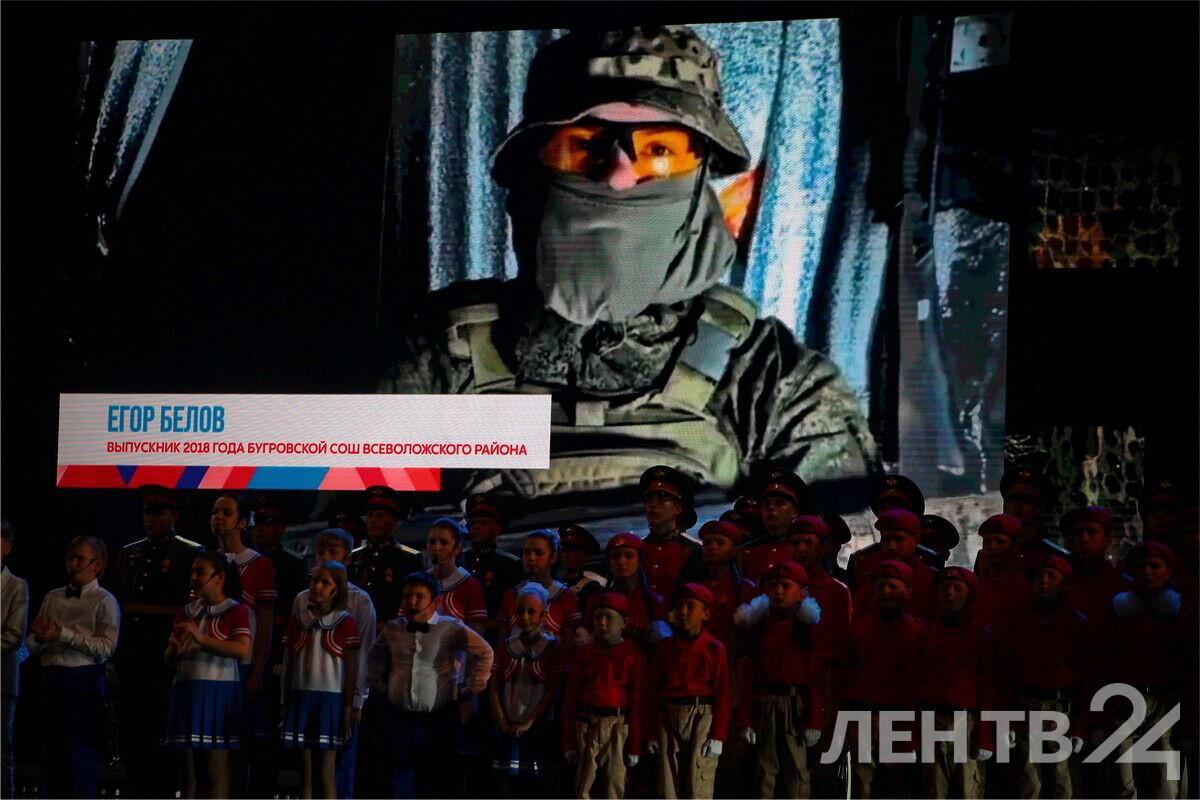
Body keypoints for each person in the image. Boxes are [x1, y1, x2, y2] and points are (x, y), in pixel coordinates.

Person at [378, 25, 876, 507]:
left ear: (701, 180)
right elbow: (346, 538)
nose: (619, 176)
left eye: (658, 150)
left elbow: (849, 555)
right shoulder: (436, 356)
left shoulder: (776, 386)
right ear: (531, 171)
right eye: (584, 145)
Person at [367, 571, 494, 798]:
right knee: (398, 778)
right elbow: (374, 657)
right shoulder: (394, 629)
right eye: (408, 596)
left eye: (419, 596)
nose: (412, 602)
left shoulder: (449, 627)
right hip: (400, 716)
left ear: (434, 602)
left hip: (438, 718)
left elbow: (485, 652)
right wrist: (380, 687)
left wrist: (471, 688)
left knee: (435, 779)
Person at [115, 484, 202, 798]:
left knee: (163, 726)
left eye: (158, 512)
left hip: (166, 650)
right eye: (146, 512)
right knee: (132, 726)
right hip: (132, 651)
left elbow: (192, 606)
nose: (150, 518)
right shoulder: (130, 552)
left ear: (174, 514)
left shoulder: (190, 552)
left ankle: (164, 790)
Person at [27, 536, 120, 799]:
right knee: (50, 751)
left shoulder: (105, 600)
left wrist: (64, 635)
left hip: (82, 680)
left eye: (80, 558)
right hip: (51, 678)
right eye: (70, 559)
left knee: (79, 752)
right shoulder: (53, 596)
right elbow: (32, 642)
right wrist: (33, 644)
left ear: (97, 565)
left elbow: (107, 648)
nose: (73, 564)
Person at [998, 555, 1091, 799]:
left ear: (1065, 584)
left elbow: (1086, 678)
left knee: (1063, 781)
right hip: (1026, 706)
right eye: (1039, 577)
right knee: (1028, 782)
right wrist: (1007, 720)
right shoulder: (1018, 623)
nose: (1044, 582)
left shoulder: (1076, 624)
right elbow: (1007, 674)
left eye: (1051, 576)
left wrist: (1080, 726)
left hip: (1062, 708)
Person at [294, 529, 377, 800]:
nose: (325, 557)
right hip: (307, 691)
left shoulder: (360, 601)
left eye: (333, 552)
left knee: (337, 769)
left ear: (347, 558)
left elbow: (363, 654)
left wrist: (357, 701)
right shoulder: (302, 599)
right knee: (306, 771)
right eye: (321, 552)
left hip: (340, 695)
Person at [1104, 541, 1191, 800]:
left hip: (1166, 702)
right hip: (1125, 701)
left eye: (1155, 566)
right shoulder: (1119, 610)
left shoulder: (1179, 610)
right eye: (1141, 566)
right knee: (1123, 782)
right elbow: (1107, 657)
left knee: (1167, 782)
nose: (1148, 572)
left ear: (1168, 571)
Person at [161, 552, 251, 798]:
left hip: (218, 691)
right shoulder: (187, 611)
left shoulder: (235, 610)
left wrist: (202, 640)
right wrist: (175, 651)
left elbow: (242, 650)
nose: (194, 577)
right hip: (186, 689)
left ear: (219, 578)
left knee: (215, 768)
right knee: (187, 770)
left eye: (200, 572)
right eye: (193, 572)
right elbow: (169, 656)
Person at [737, 561, 826, 799]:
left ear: (801, 594)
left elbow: (816, 678)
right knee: (764, 772)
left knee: (796, 771)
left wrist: (814, 719)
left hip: (796, 707)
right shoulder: (760, 628)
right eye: (774, 586)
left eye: (785, 586)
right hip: (766, 705)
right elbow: (750, 676)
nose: (778, 591)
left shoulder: (808, 631)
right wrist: (746, 719)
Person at [840, 560, 924, 799]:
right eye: (880, 586)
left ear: (907, 592)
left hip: (898, 718)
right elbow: (845, 677)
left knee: (895, 785)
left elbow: (916, 685)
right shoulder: (858, 631)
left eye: (892, 586)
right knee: (862, 784)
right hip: (862, 715)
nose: (886, 592)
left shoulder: (917, 634)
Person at [280, 560, 361, 800]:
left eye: (325, 582)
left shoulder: (345, 621)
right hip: (301, 697)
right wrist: (285, 703)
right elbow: (289, 665)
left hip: (330, 701)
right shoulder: (299, 618)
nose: (317, 586)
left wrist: (347, 709)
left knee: (326, 773)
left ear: (337, 589)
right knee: (304, 775)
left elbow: (351, 671)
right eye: (315, 580)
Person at [918, 566, 996, 799]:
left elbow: (989, 688)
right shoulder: (926, 634)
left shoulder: (981, 636)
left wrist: (985, 735)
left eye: (956, 588)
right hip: (931, 717)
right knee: (933, 788)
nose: (949, 593)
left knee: (967, 788)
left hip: (966, 721)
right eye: (945, 588)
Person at [648, 583, 731, 800]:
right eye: (679, 606)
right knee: (668, 782)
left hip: (701, 715)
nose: (683, 612)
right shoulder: (665, 648)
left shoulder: (714, 649)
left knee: (698, 780)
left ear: (705, 613)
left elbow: (722, 693)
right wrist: (651, 732)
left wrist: (718, 735)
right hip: (668, 715)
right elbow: (653, 691)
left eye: (690, 606)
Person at [249, 494, 307, 798]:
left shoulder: (292, 565)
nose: (262, 527)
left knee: (270, 724)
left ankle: (266, 787)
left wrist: (286, 656)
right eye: (259, 522)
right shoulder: (243, 560)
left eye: (269, 522)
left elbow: (296, 615)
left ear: (282, 528)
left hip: (276, 650)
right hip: (244, 645)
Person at [211, 494, 277, 758]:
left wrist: (258, 672)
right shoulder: (206, 561)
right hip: (209, 663)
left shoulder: (259, 564)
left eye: (226, 512)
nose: (218, 517)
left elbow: (265, 624)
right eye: (215, 512)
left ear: (242, 522)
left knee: (241, 743)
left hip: (243, 664)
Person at [563, 592, 645, 799]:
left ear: (624, 622)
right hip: (587, 724)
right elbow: (571, 699)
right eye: (598, 617)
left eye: (609, 617)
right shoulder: (584, 654)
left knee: (615, 783)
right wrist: (569, 742)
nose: (602, 622)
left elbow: (637, 701)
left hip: (618, 726)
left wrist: (635, 745)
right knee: (584, 784)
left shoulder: (632, 655)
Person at [489, 582, 567, 797]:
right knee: (508, 780)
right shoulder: (507, 646)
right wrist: (502, 720)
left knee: (536, 781)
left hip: (538, 725)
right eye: (520, 611)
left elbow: (552, 690)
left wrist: (530, 722)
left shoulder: (552, 648)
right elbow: (494, 687)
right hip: (508, 722)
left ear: (543, 614)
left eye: (531, 611)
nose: (524, 617)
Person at [348, 486, 422, 631]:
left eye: (380, 516)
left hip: (393, 634)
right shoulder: (353, 557)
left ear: (395, 522)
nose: (373, 521)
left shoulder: (409, 559)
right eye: (370, 515)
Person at [585, 533, 668, 651]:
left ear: (640, 560)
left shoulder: (654, 601)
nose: (621, 562)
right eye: (615, 557)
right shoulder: (596, 600)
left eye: (628, 556)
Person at [461, 493, 523, 646]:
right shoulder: (457, 561)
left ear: (497, 528)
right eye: (472, 523)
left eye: (483, 522)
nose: (476, 527)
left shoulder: (511, 565)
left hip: (494, 639)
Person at [852, 509, 936, 621]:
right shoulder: (871, 579)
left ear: (915, 540)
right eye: (886, 540)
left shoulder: (931, 580)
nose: (891, 546)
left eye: (898, 539)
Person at [846, 474, 923, 594]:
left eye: (896, 507)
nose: (890, 513)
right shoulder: (861, 561)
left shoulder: (929, 560)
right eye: (883, 508)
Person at [501, 529, 582, 644]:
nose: (531, 558)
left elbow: (570, 644)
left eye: (538, 553)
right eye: (527, 553)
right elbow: (503, 640)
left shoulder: (565, 596)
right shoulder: (511, 595)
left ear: (553, 557)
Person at [639, 466, 704, 596]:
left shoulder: (696, 550)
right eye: (649, 499)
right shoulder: (635, 549)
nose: (653, 504)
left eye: (662, 499)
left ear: (678, 508)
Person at [1061, 506, 1132, 624]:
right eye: (1078, 532)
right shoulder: (1061, 581)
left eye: (1091, 532)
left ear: (1107, 539)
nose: (1084, 539)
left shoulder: (1122, 586)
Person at [741, 469, 810, 585]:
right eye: (767, 504)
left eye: (779, 503)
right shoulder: (744, 553)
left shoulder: (804, 551)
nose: (771, 508)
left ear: (795, 512)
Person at [1, 520, 28, 799]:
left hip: (2, 681)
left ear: (7, 547)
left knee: (1, 750)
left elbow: (14, 637)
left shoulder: (17, 586)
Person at [425, 517, 487, 635]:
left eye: (443, 543)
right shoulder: (420, 582)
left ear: (457, 548)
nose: (436, 548)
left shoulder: (470, 586)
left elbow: (477, 636)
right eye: (432, 542)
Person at [972, 513, 1029, 636]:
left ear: (1015, 546)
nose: (992, 547)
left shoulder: (1024, 586)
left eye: (1000, 541)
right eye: (987, 542)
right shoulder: (977, 585)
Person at [558, 523, 605, 609]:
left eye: (573, 550)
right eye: (563, 550)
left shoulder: (591, 589)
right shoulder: (555, 583)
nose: (565, 555)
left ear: (585, 555)